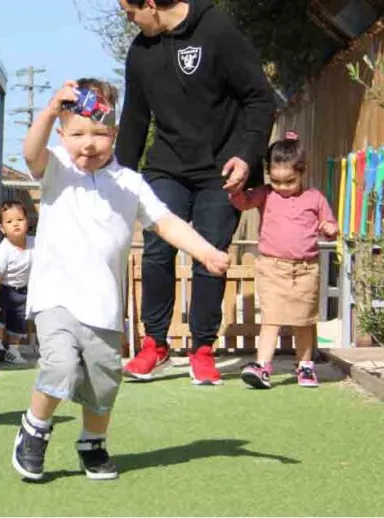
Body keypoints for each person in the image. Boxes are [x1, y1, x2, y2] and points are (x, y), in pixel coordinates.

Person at [11, 78, 230, 481]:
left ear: (114, 133)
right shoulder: (56, 168)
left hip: (103, 307)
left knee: (103, 382)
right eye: (77, 133)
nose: (88, 143)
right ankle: (34, 429)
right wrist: (47, 110)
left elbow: (166, 222)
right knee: (59, 365)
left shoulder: (129, 183)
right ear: (62, 134)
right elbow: (31, 153)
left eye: (99, 133)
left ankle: (92, 443)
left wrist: (206, 251)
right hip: (56, 298)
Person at [116, 0, 276, 385]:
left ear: (151, 5)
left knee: (211, 255)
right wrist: (117, 177)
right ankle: (155, 344)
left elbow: (259, 97)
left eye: (129, 10)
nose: (128, 17)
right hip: (166, 166)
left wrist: (246, 156)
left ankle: (202, 349)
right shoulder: (140, 52)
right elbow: (135, 118)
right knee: (157, 249)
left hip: (222, 169)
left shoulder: (217, 29)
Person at [229, 132, 338, 389]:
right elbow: (243, 202)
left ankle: (305, 366)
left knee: (304, 320)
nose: (283, 187)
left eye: (289, 181)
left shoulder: (315, 198)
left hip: (305, 269)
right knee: (271, 318)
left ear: (303, 171)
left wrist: (330, 228)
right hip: (272, 266)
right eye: (276, 181)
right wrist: (235, 188)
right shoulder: (266, 194)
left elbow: (330, 223)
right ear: (269, 175)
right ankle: (262, 366)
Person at [0, 200, 34, 365]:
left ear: (27, 221)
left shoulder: (35, 243)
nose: (16, 224)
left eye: (20, 220)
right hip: (2, 290)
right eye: (10, 222)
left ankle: (13, 350)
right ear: (2, 228)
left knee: (18, 321)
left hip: (23, 291)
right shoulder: (2, 251)